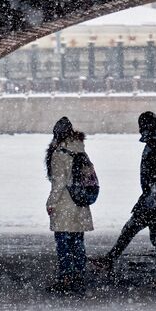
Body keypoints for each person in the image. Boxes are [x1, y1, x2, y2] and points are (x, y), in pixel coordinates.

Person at [95, 111, 156, 285]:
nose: (139, 130)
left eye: (141, 126)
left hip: (155, 200)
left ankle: (110, 261)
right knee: (152, 236)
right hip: (154, 198)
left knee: (135, 231)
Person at [46, 117, 94, 295]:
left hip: (65, 204)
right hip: (80, 203)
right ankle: (79, 277)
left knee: (64, 244)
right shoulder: (81, 151)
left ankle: (66, 278)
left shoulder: (60, 153)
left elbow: (58, 183)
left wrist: (51, 202)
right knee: (78, 243)